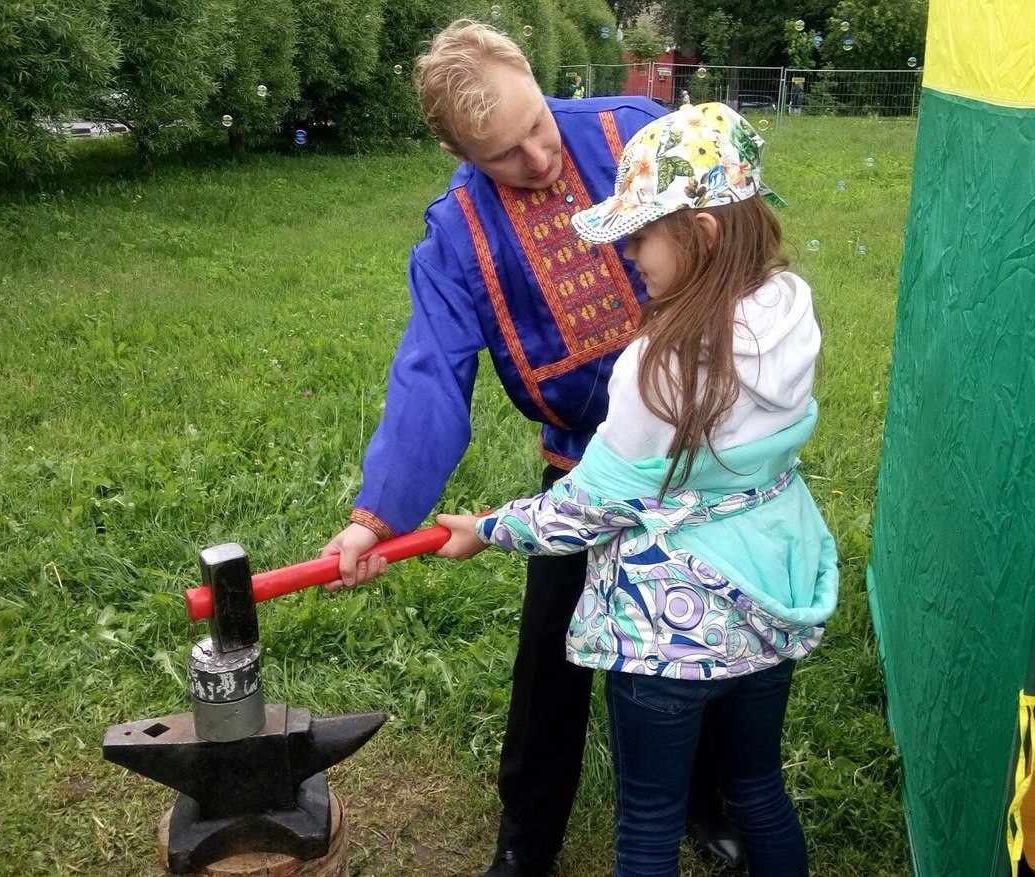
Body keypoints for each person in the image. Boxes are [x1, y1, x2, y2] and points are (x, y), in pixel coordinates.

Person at [319, 20, 744, 877]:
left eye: (539, 126)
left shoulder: (636, 131)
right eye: (506, 155)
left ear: (538, 82)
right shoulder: (456, 234)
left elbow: (738, 245)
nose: (540, 159)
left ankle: (710, 800)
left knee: (709, 630)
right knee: (554, 651)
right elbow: (430, 375)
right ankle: (527, 835)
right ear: (457, 150)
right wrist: (377, 516)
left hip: (701, 452)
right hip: (582, 467)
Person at [435, 102, 839, 877]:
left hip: (666, 636)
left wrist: (485, 529)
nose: (627, 253)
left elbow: (589, 505)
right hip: (767, 609)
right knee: (758, 788)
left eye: (641, 234)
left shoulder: (659, 367)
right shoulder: (792, 307)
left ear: (703, 233)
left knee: (648, 822)